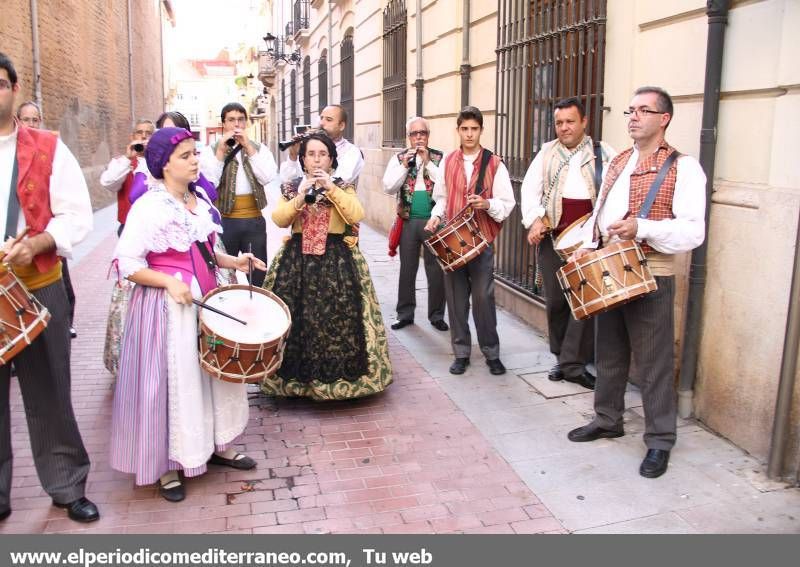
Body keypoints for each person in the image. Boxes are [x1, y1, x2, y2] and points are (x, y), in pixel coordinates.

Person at [110, 127, 266, 502]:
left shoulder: (200, 202)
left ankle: (218, 444)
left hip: (206, 299)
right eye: (185, 155)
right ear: (164, 164)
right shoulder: (149, 206)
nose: (195, 160)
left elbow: (210, 251)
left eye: (195, 153)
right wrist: (167, 282)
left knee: (212, 374)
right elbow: (126, 263)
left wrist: (236, 259)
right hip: (169, 309)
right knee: (172, 383)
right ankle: (167, 465)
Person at [566, 86, 706, 479]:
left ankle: (660, 440)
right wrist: (588, 246)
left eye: (644, 110)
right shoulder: (620, 161)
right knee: (608, 350)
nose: (633, 116)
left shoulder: (683, 167)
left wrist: (640, 226)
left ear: (664, 119)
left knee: (654, 362)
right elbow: (601, 214)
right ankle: (607, 418)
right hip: (610, 268)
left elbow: (693, 232)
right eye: (631, 110)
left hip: (652, 274)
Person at [0, 52, 98, 522]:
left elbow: (77, 214)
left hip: (36, 282)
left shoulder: (47, 146)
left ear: (14, 91)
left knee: (50, 390)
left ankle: (65, 485)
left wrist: (38, 241)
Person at [263, 131, 392, 400]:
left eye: (323, 154)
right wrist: (300, 197)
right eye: (311, 154)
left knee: (335, 319)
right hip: (297, 263)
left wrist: (331, 189)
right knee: (299, 318)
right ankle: (297, 382)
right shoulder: (291, 186)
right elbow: (279, 219)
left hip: (336, 262)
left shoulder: (343, 186)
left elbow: (356, 214)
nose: (317, 159)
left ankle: (338, 382)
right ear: (303, 159)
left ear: (332, 159)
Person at [521, 97, 616, 390]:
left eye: (570, 122)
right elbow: (530, 190)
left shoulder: (604, 153)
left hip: (589, 240)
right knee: (557, 302)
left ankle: (573, 364)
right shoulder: (547, 153)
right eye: (559, 123)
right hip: (553, 237)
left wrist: (601, 237)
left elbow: (612, 194)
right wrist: (535, 220)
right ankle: (561, 358)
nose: (564, 128)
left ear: (584, 122)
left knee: (585, 303)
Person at [425, 106, 516, 376]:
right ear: (458, 130)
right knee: (455, 299)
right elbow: (441, 197)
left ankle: (491, 353)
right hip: (453, 241)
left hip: (482, 240)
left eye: (474, 129)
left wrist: (487, 203)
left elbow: (507, 203)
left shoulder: (494, 163)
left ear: (481, 131)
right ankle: (461, 353)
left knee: (483, 298)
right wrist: (435, 217)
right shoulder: (448, 161)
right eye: (464, 129)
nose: (469, 134)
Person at [16, 100, 79, 339]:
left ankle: (63, 325)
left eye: (35, 119)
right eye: (26, 119)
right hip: (14, 253)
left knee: (63, 288)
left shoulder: (52, 148)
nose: (31, 124)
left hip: (47, 242)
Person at [199, 103, 277, 287]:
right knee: (224, 276)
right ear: (223, 124)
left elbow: (268, 177)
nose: (236, 124)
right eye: (231, 120)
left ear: (246, 123)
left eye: (240, 119)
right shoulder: (210, 151)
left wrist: (249, 147)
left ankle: (256, 310)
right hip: (224, 221)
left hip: (253, 221)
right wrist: (220, 152)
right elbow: (209, 184)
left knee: (257, 274)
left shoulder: (259, 148)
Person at [382, 116, 448, 332]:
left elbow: (446, 186)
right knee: (407, 269)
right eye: (414, 133)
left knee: (436, 271)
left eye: (423, 133)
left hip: (433, 222)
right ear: (408, 136)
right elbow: (388, 187)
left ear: (428, 136)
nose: (419, 137)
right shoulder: (399, 158)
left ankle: (437, 315)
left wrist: (428, 162)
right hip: (408, 222)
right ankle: (405, 314)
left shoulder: (440, 157)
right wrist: (403, 166)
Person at [281, 104, 364, 186]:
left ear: (341, 126)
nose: (321, 123)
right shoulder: (311, 148)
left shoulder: (352, 152)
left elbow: (339, 182)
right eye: (321, 118)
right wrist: (293, 157)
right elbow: (288, 181)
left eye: (329, 120)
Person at [99, 118, 155, 235]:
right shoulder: (121, 162)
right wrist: (127, 158)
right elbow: (107, 183)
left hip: (155, 227)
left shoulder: (162, 162)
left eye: (149, 133)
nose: (144, 136)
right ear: (132, 137)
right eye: (139, 132)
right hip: (129, 228)